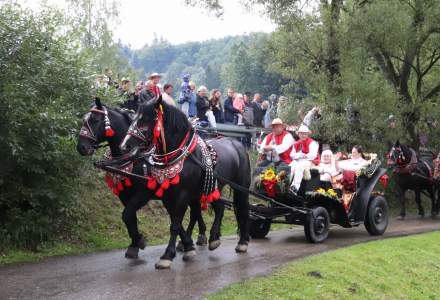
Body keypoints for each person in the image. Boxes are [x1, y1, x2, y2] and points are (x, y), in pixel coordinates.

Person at [289, 125, 319, 194]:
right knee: (291, 166)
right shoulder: (296, 143)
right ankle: (286, 185)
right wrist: (300, 155)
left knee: (300, 166)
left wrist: (301, 156)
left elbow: (313, 155)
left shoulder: (312, 143)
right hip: (299, 160)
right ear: (299, 134)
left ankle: (295, 188)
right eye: (301, 133)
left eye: (305, 134)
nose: (303, 135)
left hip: (310, 161)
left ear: (307, 134)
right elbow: (292, 155)